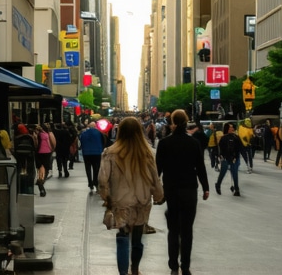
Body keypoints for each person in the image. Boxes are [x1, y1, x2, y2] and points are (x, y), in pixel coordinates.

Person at [98, 117, 164, 275]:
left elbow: (102, 179)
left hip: (120, 202)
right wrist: (158, 195)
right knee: (137, 240)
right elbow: (155, 178)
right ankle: (135, 269)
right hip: (142, 202)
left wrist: (106, 197)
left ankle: (123, 272)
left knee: (122, 236)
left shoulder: (110, 153)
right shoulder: (148, 153)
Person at [156, 109, 209, 275]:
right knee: (187, 230)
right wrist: (206, 187)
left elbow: (157, 169)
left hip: (171, 189)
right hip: (189, 189)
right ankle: (185, 266)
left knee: (173, 230)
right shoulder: (193, 143)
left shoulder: (164, 143)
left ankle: (173, 266)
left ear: (172, 122)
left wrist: (155, 189)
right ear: (186, 121)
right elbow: (200, 166)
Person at [215, 122, 242, 197]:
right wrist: (221, 156)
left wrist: (236, 157)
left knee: (234, 173)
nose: (232, 128)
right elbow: (221, 149)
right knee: (223, 172)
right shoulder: (224, 138)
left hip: (233, 158)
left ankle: (236, 189)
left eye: (232, 127)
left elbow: (239, 148)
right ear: (227, 129)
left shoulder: (236, 137)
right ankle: (218, 184)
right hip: (226, 158)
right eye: (230, 127)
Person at [79, 121, 105, 192]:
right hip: (97, 153)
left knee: (88, 168)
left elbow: (81, 141)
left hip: (86, 153)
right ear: (95, 126)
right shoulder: (99, 133)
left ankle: (90, 183)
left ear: (89, 126)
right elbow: (103, 142)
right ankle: (95, 182)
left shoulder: (83, 133)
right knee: (96, 168)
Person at [35, 123, 56, 197]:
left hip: (39, 153)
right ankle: (41, 183)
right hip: (47, 152)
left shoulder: (37, 134)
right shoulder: (48, 134)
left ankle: (41, 185)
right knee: (46, 169)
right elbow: (53, 143)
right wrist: (52, 149)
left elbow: (35, 143)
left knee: (40, 169)